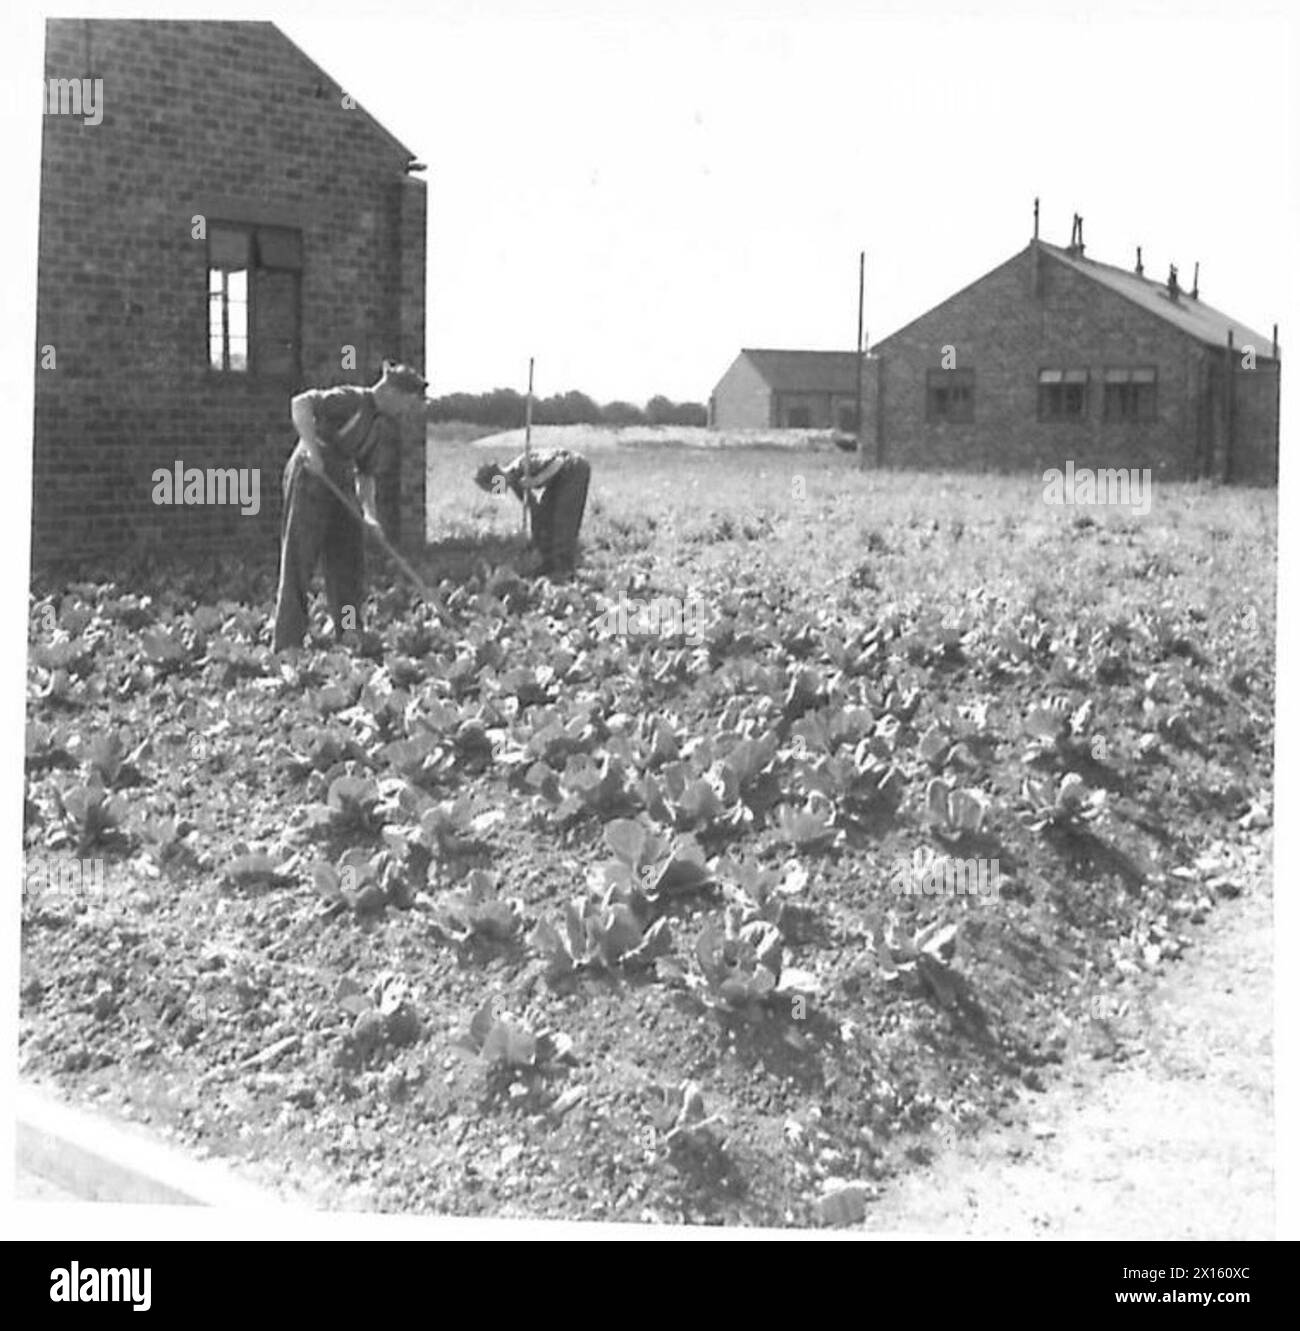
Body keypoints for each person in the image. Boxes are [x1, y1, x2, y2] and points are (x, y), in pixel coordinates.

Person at [272, 360, 427, 651]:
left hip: (340, 482)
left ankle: (349, 632)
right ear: (391, 392)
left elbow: (365, 476)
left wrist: (370, 516)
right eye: (406, 404)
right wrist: (312, 450)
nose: (405, 412)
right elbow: (300, 404)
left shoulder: (379, 428)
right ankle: (287, 643)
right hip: (310, 476)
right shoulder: (350, 399)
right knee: (299, 559)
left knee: (348, 560)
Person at [474, 447, 591, 575]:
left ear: (497, 478)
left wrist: (536, 480)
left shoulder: (524, 464)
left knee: (563, 520)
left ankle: (564, 569)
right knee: (547, 516)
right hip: (558, 479)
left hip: (573, 468)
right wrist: (536, 536)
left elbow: (558, 462)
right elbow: (535, 509)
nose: (496, 492)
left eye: (492, 488)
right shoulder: (515, 483)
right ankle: (548, 563)